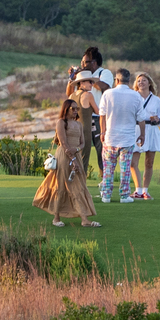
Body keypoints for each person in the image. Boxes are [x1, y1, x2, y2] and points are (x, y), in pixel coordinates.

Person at [32, 97, 100, 227]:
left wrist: (77, 151)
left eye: (77, 109)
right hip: (64, 156)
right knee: (61, 185)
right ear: (66, 109)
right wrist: (72, 158)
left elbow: (83, 142)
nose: (75, 111)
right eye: (72, 108)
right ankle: (56, 218)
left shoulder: (79, 124)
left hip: (76, 155)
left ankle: (84, 219)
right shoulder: (61, 122)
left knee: (79, 186)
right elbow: (63, 143)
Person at [96, 68, 145, 203]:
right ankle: (124, 195)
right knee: (125, 169)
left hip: (110, 137)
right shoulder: (136, 96)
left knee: (108, 169)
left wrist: (102, 131)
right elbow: (141, 118)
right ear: (129, 80)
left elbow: (102, 115)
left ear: (116, 80)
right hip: (128, 139)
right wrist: (142, 135)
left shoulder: (108, 94)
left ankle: (106, 195)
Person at [70, 47, 113, 175]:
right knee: (82, 151)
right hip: (83, 118)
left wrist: (89, 79)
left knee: (102, 151)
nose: (82, 65)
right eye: (82, 62)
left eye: (85, 62)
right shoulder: (83, 76)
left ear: (94, 62)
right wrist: (73, 77)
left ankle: (104, 179)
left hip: (99, 117)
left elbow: (104, 86)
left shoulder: (104, 73)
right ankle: (80, 177)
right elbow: (70, 94)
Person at [129, 72, 160, 200]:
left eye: (144, 80)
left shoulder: (156, 100)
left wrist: (157, 119)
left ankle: (145, 190)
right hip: (137, 129)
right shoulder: (133, 97)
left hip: (151, 130)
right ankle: (137, 190)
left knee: (149, 162)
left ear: (149, 83)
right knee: (133, 162)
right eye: (139, 81)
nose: (141, 83)